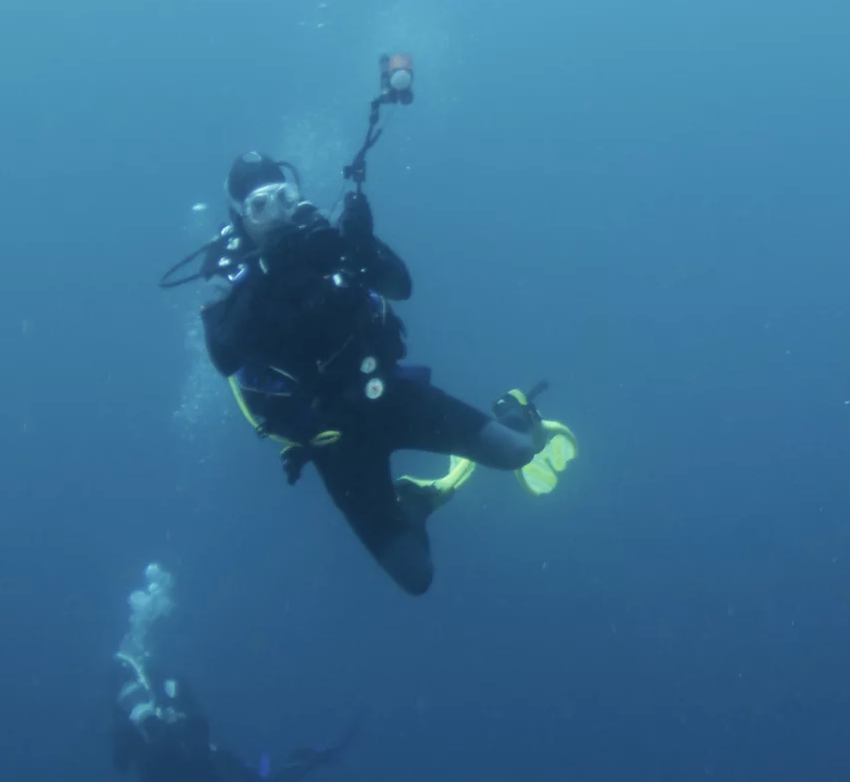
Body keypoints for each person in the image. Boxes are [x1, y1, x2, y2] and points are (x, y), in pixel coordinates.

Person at [193, 150, 573, 594]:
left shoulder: (322, 229)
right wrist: (269, 272)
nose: (277, 213)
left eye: (284, 196)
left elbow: (401, 286)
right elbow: (224, 357)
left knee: (517, 453)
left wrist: (361, 243)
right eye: (260, 205)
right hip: (332, 440)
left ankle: (517, 410)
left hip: (386, 394)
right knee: (416, 576)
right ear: (239, 215)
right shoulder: (225, 269)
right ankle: (416, 502)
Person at [109, 564, 350, 782]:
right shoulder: (136, 736)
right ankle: (287, 764)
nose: (133, 705)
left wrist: (172, 738)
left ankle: (306, 758)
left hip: (211, 769)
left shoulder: (168, 695)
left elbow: (197, 729)